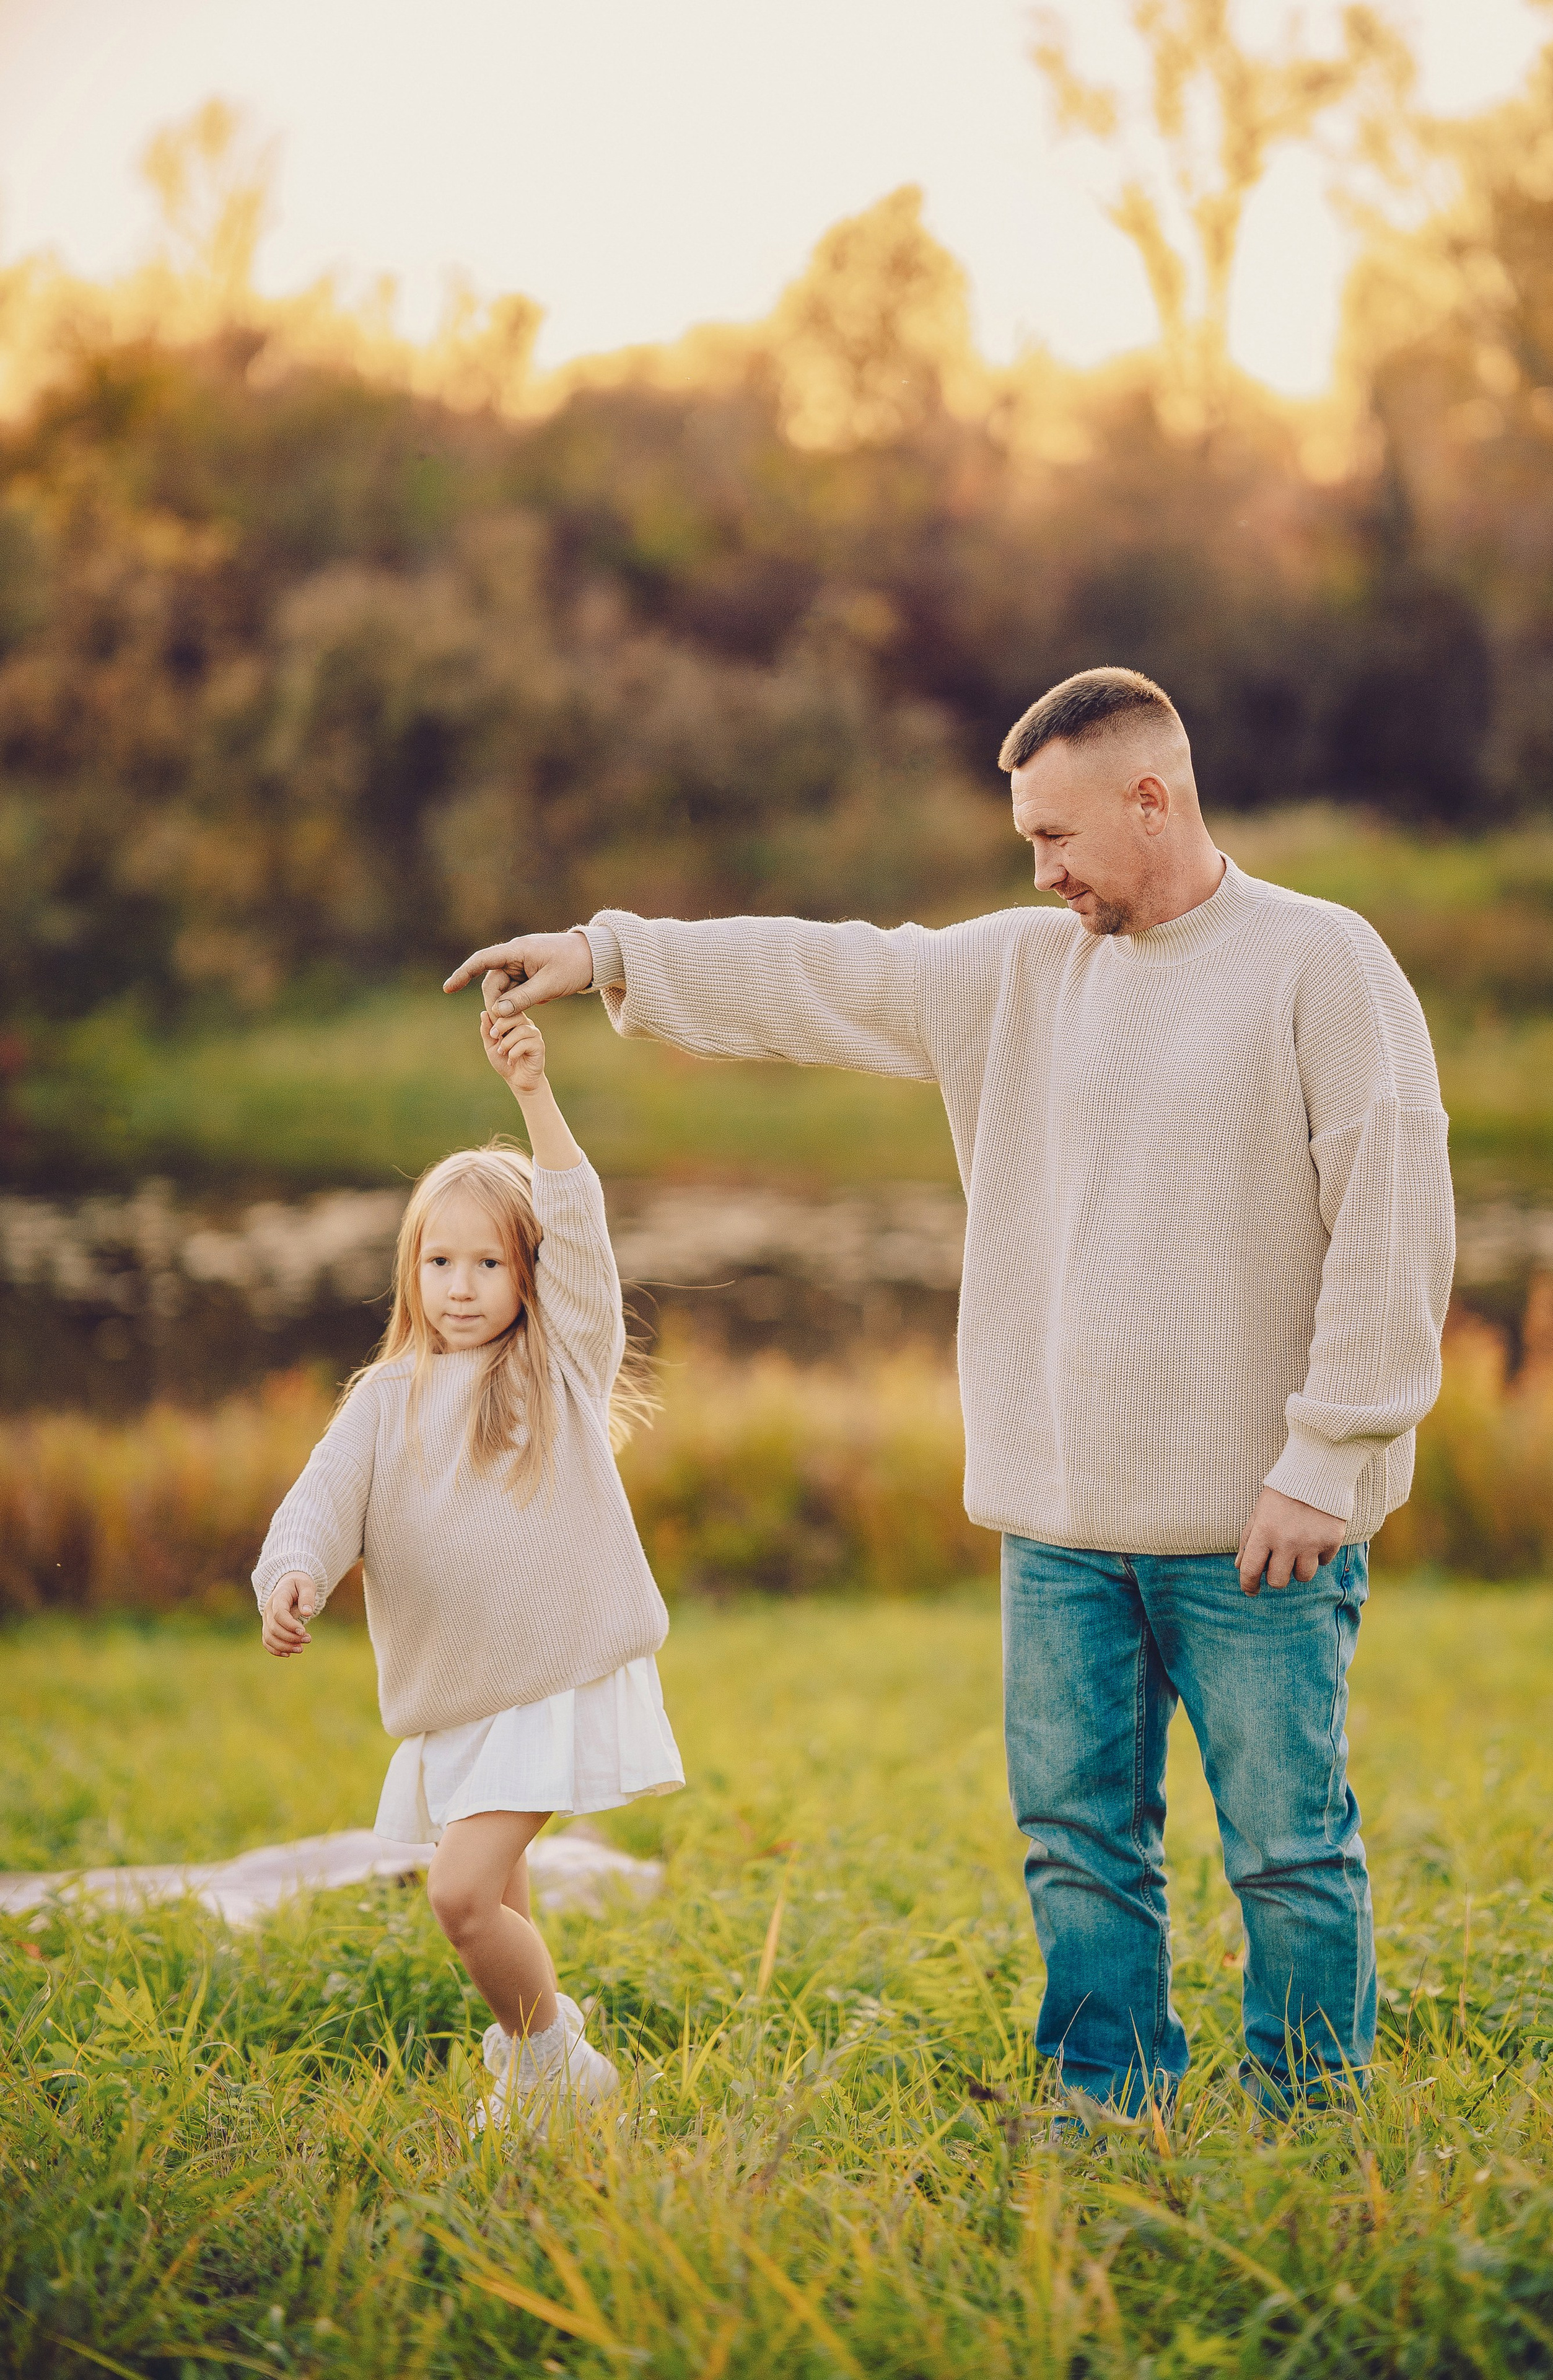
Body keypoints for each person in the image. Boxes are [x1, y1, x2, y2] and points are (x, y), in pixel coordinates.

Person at [444, 664, 1456, 2122]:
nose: (1038, 871)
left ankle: (1310, 2117)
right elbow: (827, 973)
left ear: (1150, 798)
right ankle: (1106, 2100)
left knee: (1287, 1846)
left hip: (1260, 1524)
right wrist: (609, 952)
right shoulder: (1015, 973)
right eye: (1025, 841)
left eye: (1054, 837)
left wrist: (1324, 1455)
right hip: (1058, 1526)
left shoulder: (1321, 962)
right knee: (1073, 1840)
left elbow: (1392, 1225)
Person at [254, 1004, 683, 2138]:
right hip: (464, 1694)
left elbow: (581, 1230)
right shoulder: (385, 1398)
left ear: (528, 1275)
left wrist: (534, 1094)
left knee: (456, 1894)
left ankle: (552, 2059)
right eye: (439, 1261)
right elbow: (321, 1502)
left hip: (552, 1678)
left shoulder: (558, 1368)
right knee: (493, 1896)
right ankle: (540, 2073)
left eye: (489, 1262)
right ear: (412, 1272)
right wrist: (293, 1574)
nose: (460, 1284)